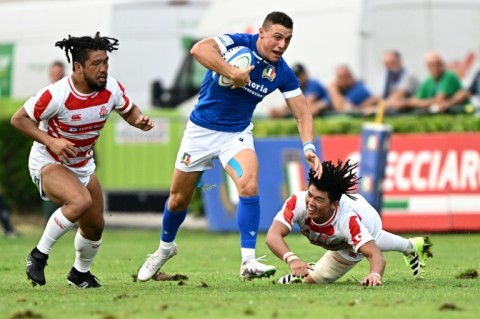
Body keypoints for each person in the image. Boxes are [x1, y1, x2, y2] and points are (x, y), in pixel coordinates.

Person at [137, 11, 321, 282]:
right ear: (262, 33)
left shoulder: (281, 72)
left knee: (248, 184)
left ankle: (248, 260)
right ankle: (165, 249)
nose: (282, 45)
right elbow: (199, 49)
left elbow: (302, 113)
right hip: (200, 133)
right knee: (178, 199)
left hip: (236, 135)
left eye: (288, 40)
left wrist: (309, 147)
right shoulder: (237, 43)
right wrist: (233, 72)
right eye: (277, 37)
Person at [10, 32, 154, 288]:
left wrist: (139, 121)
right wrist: (51, 141)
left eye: (106, 62)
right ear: (78, 67)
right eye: (96, 64)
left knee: (95, 225)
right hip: (48, 160)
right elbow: (18, 119)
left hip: (83, 165)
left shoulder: (111, 88)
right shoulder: (56, 94)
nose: (103, 69)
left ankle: (79, 274)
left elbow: (129, 110)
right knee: (80, 201)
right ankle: (38, 255)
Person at [266, 160, 433, 286]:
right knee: (368, 241)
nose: (310, 202)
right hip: (350, 223)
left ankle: (310, 271)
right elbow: (272, 236)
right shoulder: (298, 202)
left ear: (333, 204)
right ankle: (412, 246)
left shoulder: (348, 221)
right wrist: (292, 259)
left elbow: (376, 256)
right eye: (310, 194)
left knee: (316, 279)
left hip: (366, 221)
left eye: (319, 199)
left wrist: (374, 275)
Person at [403, 52, 469, 113]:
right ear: (427, 67)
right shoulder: (428, 80)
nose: (436, 67)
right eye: (432, 65)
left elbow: (439, 100)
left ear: (443, 64)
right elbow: (416, 100)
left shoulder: (449, 76)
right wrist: (410, 103)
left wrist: (416, 103)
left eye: (438, 64)